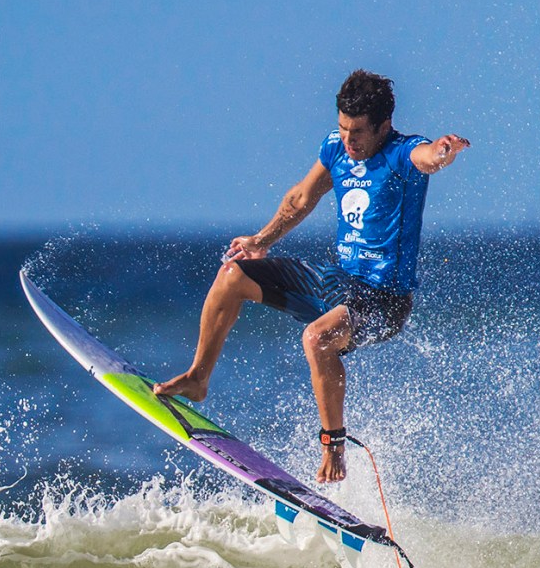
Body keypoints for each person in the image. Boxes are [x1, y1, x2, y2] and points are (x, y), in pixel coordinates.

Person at [153, 69, 469, 484]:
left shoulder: (400, 154)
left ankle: (334, 448)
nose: (348, 141)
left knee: (317, 338)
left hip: (384, 300)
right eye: (342, 129)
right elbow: (301, 198)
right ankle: (197, 379)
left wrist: (442, 151)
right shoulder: (335, 150)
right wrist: (259, 240)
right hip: (340, 281)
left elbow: (426, 157)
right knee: (232, 275)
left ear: (383, 126)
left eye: (357, 132)